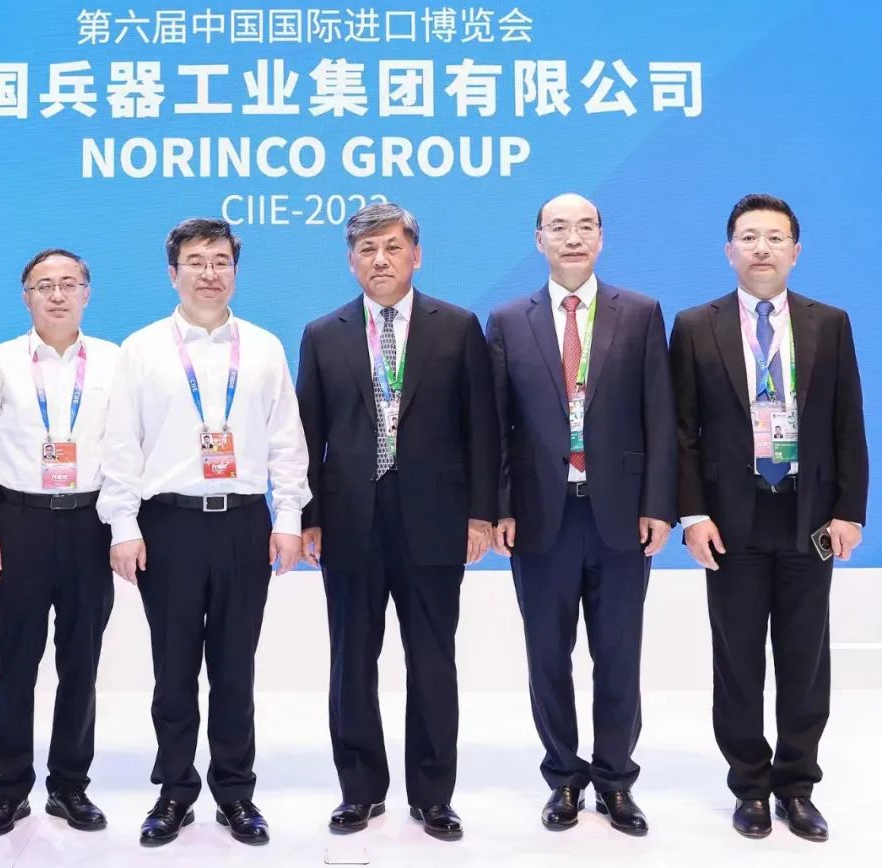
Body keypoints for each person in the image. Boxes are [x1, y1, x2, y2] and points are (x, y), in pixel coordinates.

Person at [99, 218, 310, 847]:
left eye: (221, 261)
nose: (209, 273)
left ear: (235, 271)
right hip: (168, 525)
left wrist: (289, 519)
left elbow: (287, 442)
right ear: (173, 273)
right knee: (173, 667)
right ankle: (174, 790)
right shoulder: (141, 349)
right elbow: (121, 445)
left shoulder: (264, 348)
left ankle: (236, 792)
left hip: (245, 523)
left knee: (235, 667)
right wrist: (123, 525)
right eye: (196, 261)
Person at [296, 203, 499, 841]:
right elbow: (307, 436)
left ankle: (434, 796)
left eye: (391, 247)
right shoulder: (322, 333)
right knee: (351, 661)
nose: (379, 260)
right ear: (350, 261)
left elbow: (482, 428)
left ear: (416, 254)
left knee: (433, 661)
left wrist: (481, 515)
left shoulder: (457, 327)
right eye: (367, 250)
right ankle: (359, 791)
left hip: (435, 519)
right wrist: (309, 518)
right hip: (349, 521)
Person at [670, 194, 867, 842]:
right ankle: (750, 787)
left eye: (775, 238)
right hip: (732, 519)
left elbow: (848, 422)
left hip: (808, 515)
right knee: (737, 660)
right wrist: (693, 515)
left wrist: (849, 510)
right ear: (729, 250)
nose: (762, 248)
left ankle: (797, 785)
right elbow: (683, 432)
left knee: (805, 657)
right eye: (749, 237)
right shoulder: (695, 326)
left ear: (795, 251)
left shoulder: (829, 323)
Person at [486, 193, 677, 837]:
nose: (573, 237)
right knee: (548, 653)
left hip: (620, 515)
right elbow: (497, 427)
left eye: (585, 226)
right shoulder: (507, 321)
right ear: (538, 239)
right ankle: (564, 778)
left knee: (619, 653)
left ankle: (616, 780)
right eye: (559, 227)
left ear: (602, 237)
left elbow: (660, 417)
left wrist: (658, 505)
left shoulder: (641, 313)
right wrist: (501, 506)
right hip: (541, 517)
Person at [0, 249, 118, 836]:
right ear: (26, 297)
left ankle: (70, 786)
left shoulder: (114, 361)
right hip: (17, 524)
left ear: (87, 293)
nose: (57, 295)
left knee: (81, 662)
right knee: (16, 661)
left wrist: (122, 527)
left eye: (68, 283)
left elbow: (128, 449)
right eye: (43, 285)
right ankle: (10, 788)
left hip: (90, 524)